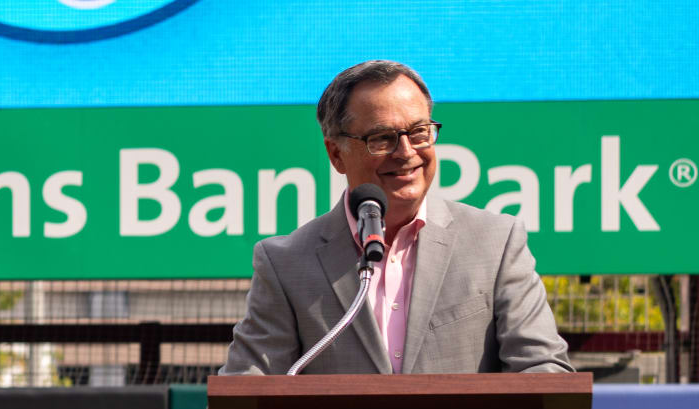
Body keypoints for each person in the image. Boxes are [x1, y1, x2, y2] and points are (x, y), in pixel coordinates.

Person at [222, 60, 571, 376]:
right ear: (336, 154)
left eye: (419, 132)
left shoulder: (496, 243)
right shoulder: (286, 264)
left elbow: (543, 370)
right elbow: (246, 393)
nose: (406, 153)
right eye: (382, 138)